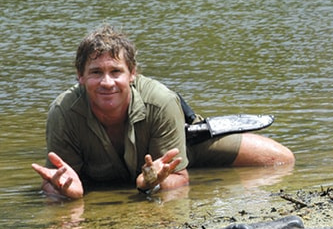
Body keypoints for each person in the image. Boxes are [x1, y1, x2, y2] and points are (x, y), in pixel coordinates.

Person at [31, 24, 294, 199]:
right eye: (96, 73)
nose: (107, 82)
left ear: (132, 74)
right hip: (104, 171)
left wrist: (155, 184)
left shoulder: (161, 101)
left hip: (174, 151)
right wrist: (66, 195)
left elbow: (178, 177)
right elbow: (57, 180)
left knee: (280, 159)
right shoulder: (63, 111)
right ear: (80, 77)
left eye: (116, 72)